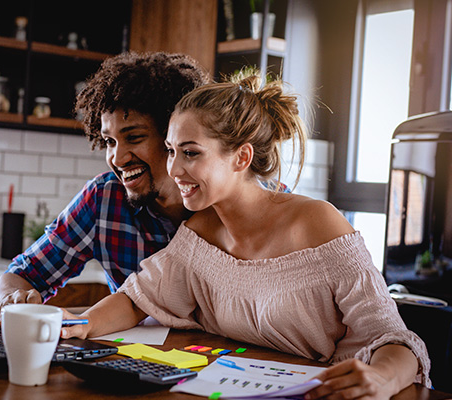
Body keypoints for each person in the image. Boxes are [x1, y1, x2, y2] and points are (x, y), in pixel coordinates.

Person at [61, 71, 431, 399]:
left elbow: (395, 340)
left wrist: (381, 378)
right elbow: (136, 299)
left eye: (190, 153)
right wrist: (79, 325)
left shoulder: (318, 223)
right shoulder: (200, 232)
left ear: (241, 158)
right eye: (171, 151)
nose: (174, 168)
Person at [0, 52, 211, 325]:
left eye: (134, 137)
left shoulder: (227, 198)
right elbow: (22, 274)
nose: (117, 159)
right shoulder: (104, 199)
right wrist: (11, 299)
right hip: (139, 361)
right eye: (109, 141)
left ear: (173, 136)